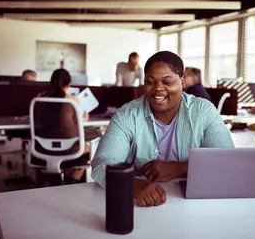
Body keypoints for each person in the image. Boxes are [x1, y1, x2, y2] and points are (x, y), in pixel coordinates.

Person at [91, 51, 234, 207]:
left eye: (167, 82)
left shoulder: (203, 111)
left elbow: (226, 162)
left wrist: (178, 169)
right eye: (151, 82)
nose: (158, 88)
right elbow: (102, 164)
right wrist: (132, 185)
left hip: (196, 204)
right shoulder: (127, 115)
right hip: (142, 205)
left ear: (182, 82)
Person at [37, 69, 91, 183]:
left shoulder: (39, 98)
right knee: (90, 148)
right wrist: (85, 118)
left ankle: (57, 178)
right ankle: (73, 179)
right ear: (68, 84)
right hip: (69, 148)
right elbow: (77, 122)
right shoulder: (72, 100)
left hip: (43, 147)